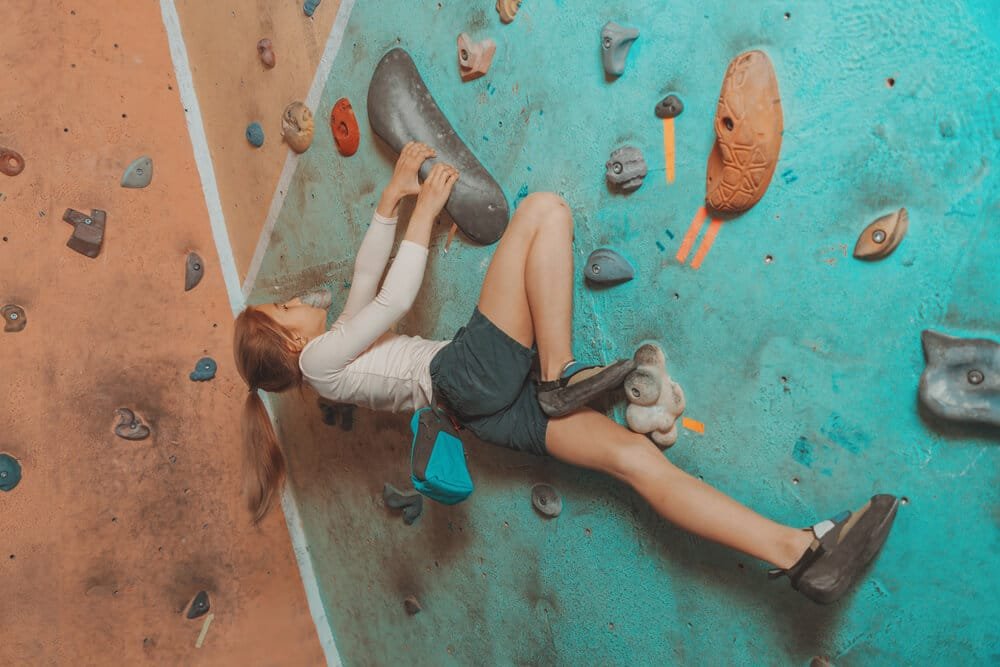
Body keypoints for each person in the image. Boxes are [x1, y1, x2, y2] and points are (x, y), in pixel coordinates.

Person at [233, 142, 898, 604]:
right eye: (288, 307)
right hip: (462, 375)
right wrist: (425, 213)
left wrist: (388, 203)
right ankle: (557, 372)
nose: (302, 302)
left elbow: (360, 289)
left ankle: (797, 551)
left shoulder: (326, 365)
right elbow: (389, 300)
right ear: (288, 343)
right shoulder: (317, 363)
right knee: (544, 211)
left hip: (483, 415)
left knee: (637, 464)